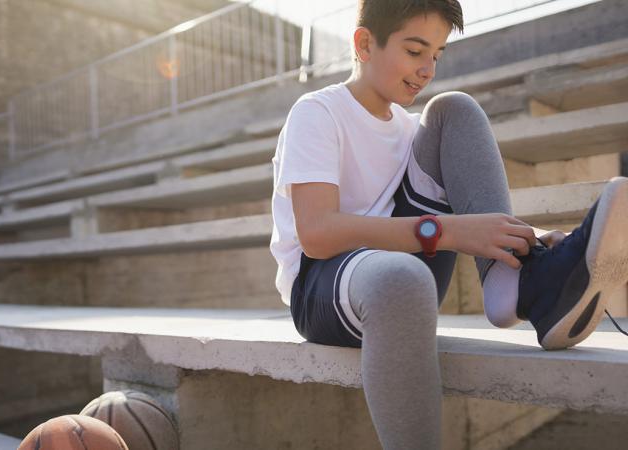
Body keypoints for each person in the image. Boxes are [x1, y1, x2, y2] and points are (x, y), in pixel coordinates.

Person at [268, 1, 628, 448]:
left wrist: (528, 239)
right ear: (364, 43)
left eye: (436, 55)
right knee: (401, 279)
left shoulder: (411, 128)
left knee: (453, 109)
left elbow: (454, 218)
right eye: (415, 51)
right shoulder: (317, 112)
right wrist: (448, 232)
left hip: (407, 270)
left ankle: (526, 282)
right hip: (326, 284)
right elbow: (318, 234)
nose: (427, 69)